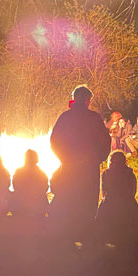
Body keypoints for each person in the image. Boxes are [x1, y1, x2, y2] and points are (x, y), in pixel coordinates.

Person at [49, 85, 111, 246]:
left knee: (69, 200)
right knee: (88, 202)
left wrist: (64, 159)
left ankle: (68, 237)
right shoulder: (94, 118)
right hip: (89, 169)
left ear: (74, 98)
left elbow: (54, 141)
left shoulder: (65, 117)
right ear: (87, 100)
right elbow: (105, 141)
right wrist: (98, 158)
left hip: (69, 169)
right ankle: (85, 236)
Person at [96, 151, 138, 244]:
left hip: (110, 204)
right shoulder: (130, 174)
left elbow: (104, 191)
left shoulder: (106, 174)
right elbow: (133, 191)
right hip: (128, 204)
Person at [11, 149, 50, 218]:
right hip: (37, 207)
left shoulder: (18, 171)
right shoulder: (41, 173)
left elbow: (15, 186)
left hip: (20, 206)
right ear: (36, 159)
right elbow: (45, 188)